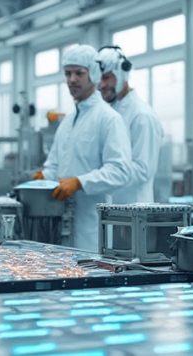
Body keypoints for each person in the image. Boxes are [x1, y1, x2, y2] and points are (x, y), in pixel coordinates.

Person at [35, 44, 132, 251]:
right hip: (61, 228)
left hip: (91, 231)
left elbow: (120, 171)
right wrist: (43, 178)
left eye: (79, 73)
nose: (72, 79)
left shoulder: (108, 119)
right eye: (68, 73)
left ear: (94, 74)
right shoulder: (67, 122)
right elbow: (54, 166)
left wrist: (80, 182)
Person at [96, 45, 164, 204]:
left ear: (122, 73)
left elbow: (142, 170)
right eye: (98, 79)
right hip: (110, 210)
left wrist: (99, 175)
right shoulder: (109, 112)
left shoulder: (142, 116)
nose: (101, 85)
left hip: (134, 213)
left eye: (106, 77)